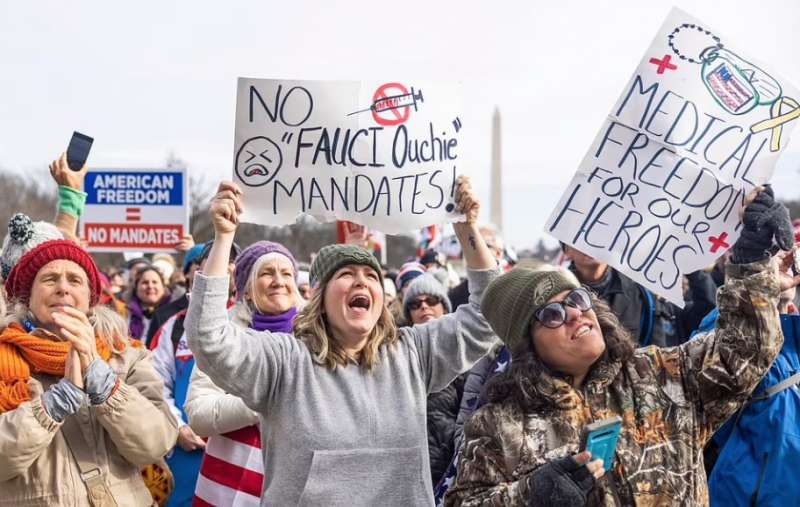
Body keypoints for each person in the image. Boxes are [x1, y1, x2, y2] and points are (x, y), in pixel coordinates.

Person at [445, 186, 796, 505]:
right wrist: (531, 496)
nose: (575, 315)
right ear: (526, 345)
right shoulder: (499, 423)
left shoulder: (661, 375)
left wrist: (752, 257)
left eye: (578, 299)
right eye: (552, 314)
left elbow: (744, 354)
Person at [185, 176, 498, 505]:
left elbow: (487, 317)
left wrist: (466, 231)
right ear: (319, 296)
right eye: (346, 274)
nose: (360, 282)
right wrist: (223, 238)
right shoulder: (285, 361)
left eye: (371, 277)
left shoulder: (413, 354)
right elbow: (209, 339)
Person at [0, 238, 178, 505]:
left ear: (90, 297)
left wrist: (104, 383)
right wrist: (51, 407)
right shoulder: (4, 357)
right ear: (28, 296)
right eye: (49, 279)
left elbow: (157, 442)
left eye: (74, 280)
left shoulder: (126, 355)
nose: (62, 288)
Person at [184, 240, 304, 506]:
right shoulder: (222, 338)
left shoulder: (318, 339)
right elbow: (198, 414)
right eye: (266, 273)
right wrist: (262, 400)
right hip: (228, 487)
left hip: (296, 486)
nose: (278, 281)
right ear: (247, 290)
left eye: (286, 274)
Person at [562, 244, 716, 347]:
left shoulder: (643, 291)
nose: (588, 244)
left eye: (596, 236)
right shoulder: (560, 299)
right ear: (566, 251)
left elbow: (707, 311)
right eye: (577, 240)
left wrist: (691, 268)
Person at [401, 274, 463, 485]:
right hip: (407, 469)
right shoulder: (396, 353)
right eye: (415, 304)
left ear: (444, 307)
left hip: (452, 468)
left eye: (432, 301)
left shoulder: (463, 352)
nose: (424, 307)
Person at [128, 266, 171, 345]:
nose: (150, 286)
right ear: (136, 287)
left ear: (163, 287)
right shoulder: (125, 313)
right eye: (145, 282)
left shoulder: (173, 313)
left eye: (155, 282)